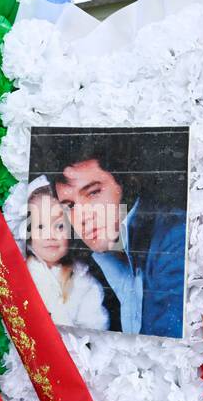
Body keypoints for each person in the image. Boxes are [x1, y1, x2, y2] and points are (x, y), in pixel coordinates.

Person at [52, 141, 186, 339]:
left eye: (93, 193)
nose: (82, 216)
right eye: (70, 205)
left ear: (126, 184)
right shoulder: (109, 259)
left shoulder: (174, 240)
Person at [24, 178, 110, 331]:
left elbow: (95, 326)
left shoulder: (83, 280)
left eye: (60, 226)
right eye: (41, 226)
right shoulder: (22, 271)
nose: (50, 235)